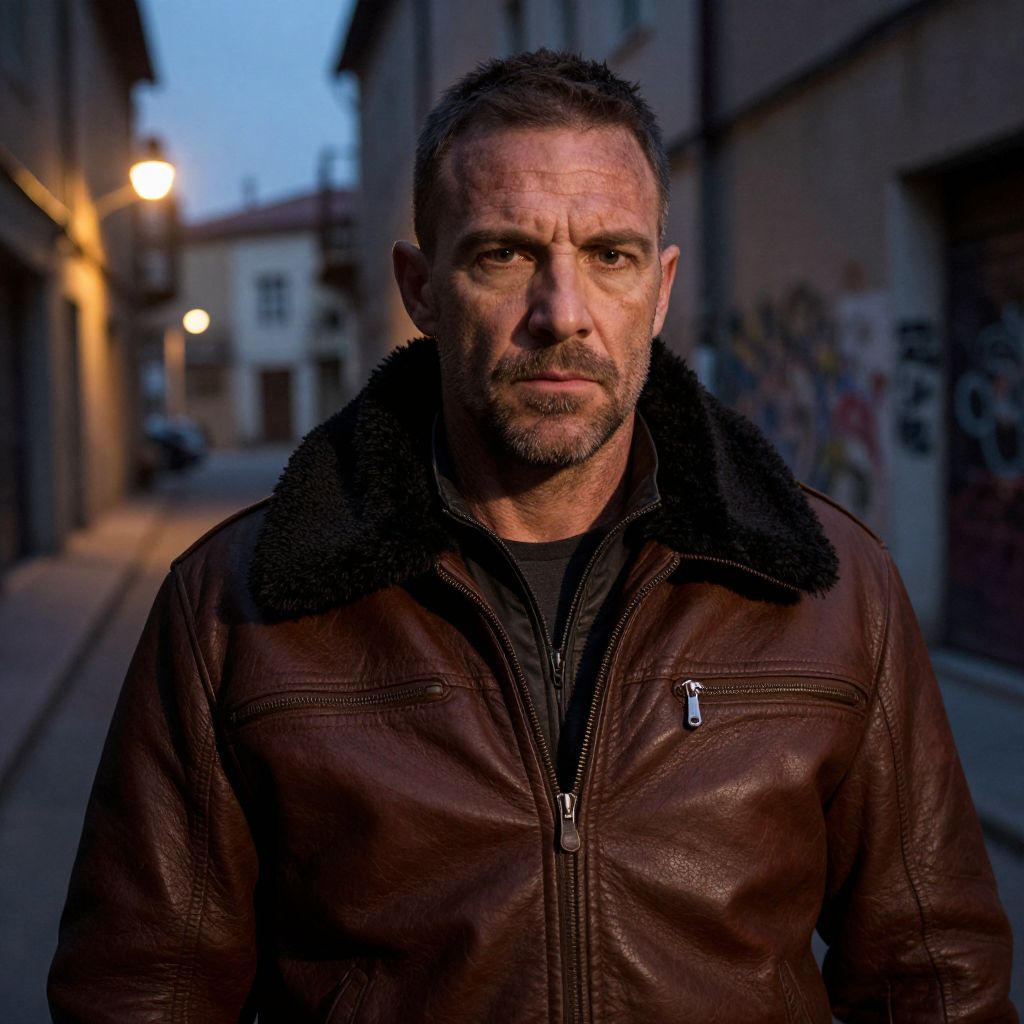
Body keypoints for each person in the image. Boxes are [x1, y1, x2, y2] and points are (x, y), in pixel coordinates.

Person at [49, 50, 1015, 1023]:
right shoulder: (234, 606)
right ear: (421, 288)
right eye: (504, 255)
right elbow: (142, 993)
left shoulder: (829, 589)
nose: (562, 315)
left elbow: (935, 979)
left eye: (610, 256)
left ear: (660, 289)